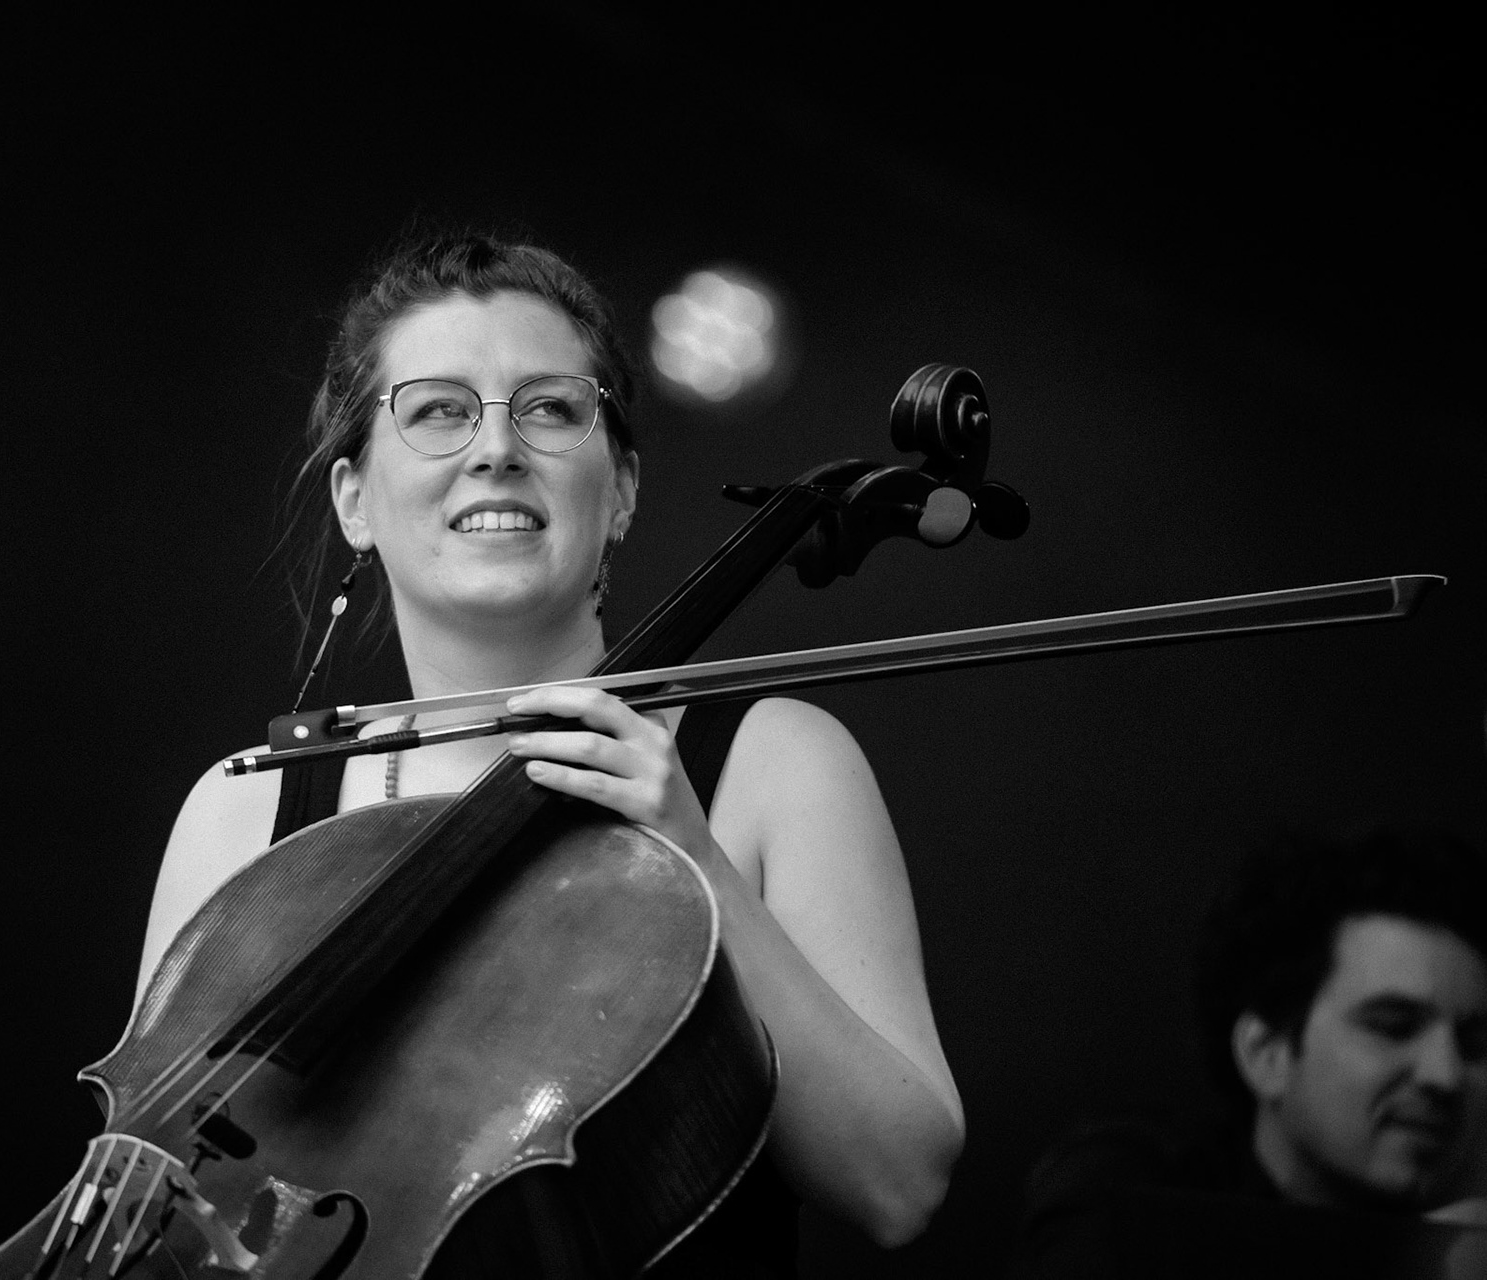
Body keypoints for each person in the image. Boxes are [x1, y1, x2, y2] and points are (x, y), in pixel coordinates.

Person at [135, 231, 964, 1272]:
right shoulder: (241, 806)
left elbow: (899, 1182)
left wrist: (693, 858)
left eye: (550, 407)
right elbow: (152, 1215)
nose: (496, 448)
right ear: (355, 498)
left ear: (619, 488)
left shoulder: (772, 763)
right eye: (438, 408)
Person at [1011, 825, 1487, 1278]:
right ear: (1267, 1053)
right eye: (1392, 1026)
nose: (1447, 1074)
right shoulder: (1125, 1194)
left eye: (1475, 1044)